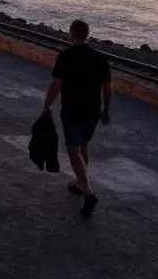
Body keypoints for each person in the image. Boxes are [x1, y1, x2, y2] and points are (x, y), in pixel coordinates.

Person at [41, 19, 112, 217]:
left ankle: (88, 192)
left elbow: (55, 85)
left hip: (72, 111)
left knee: (74, 151)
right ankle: (78, 184)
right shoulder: (100, 58)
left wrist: (46, 105)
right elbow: (108, 87)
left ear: (71, 34)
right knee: (83, 146)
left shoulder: (65, 57)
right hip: (93, 112)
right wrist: (106, 109)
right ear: (87, 35)